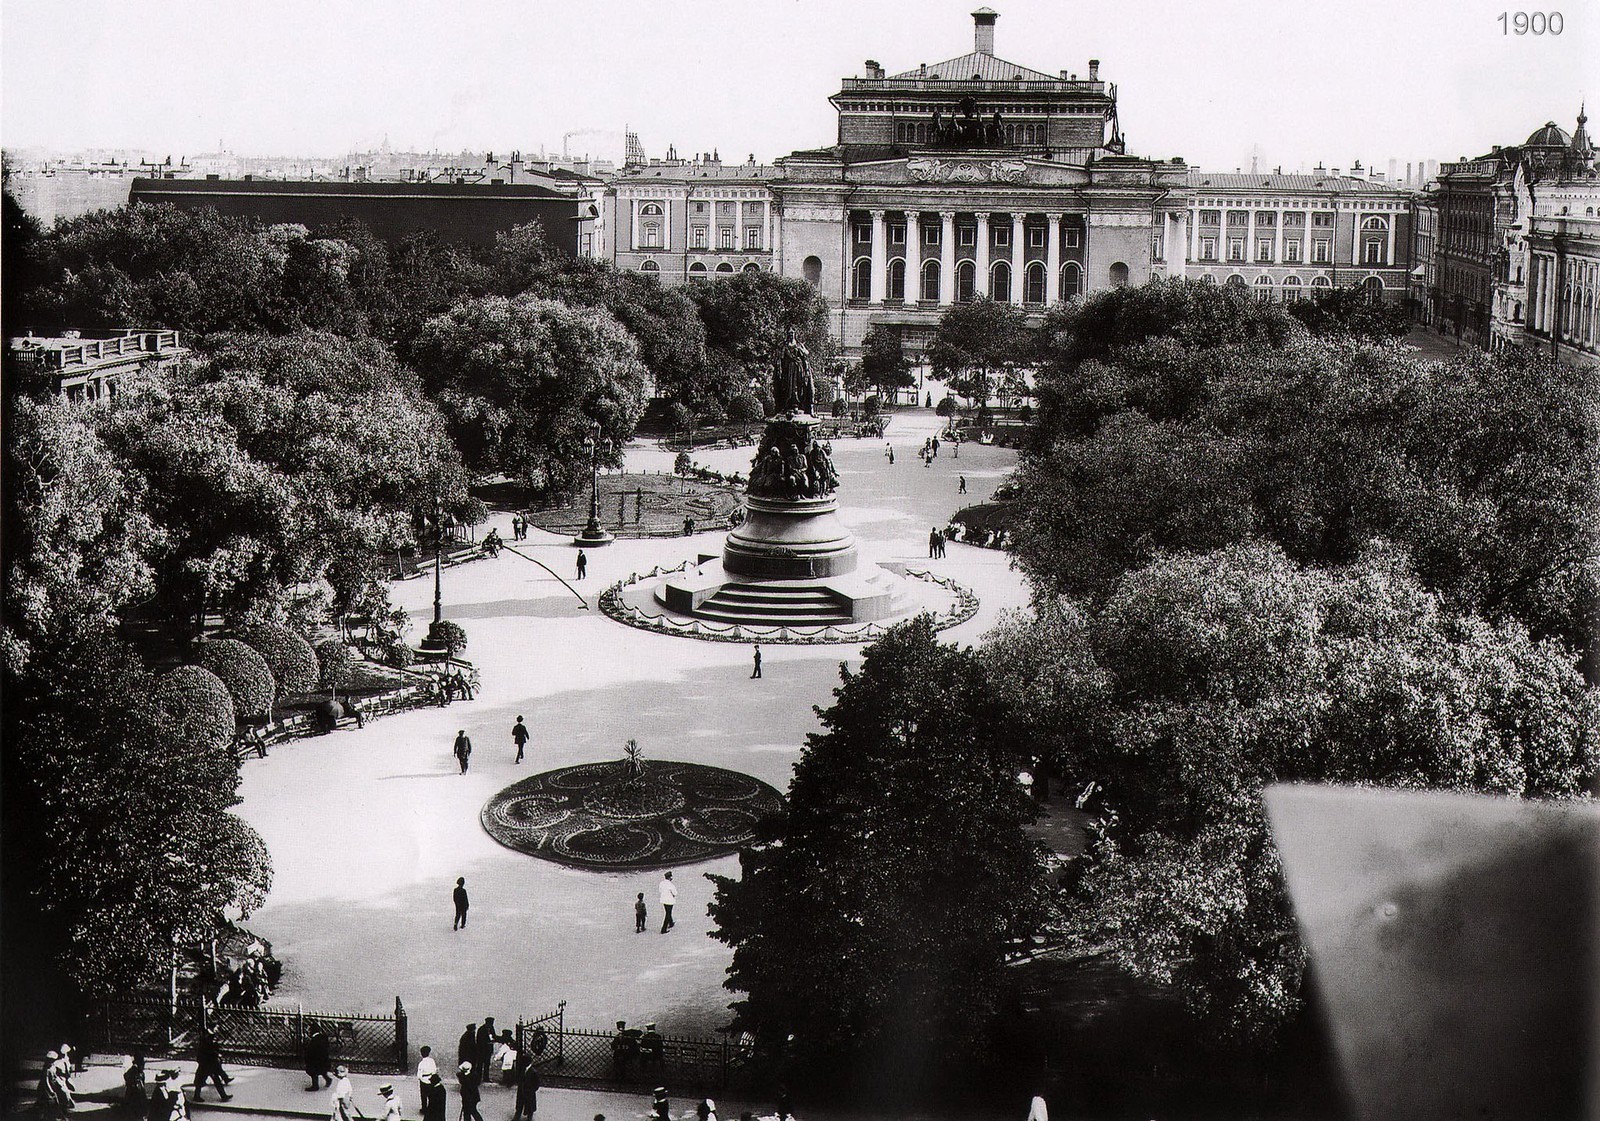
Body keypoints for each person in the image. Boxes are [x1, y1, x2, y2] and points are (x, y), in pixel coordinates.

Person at [191, 1029, 232, 1101]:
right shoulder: (204, 1045)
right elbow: (203, 1056)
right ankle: (223, 1096)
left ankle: (223, 1096)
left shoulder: (206, 1044)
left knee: (203, 1082)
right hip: (206, 1066)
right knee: (206, 1081)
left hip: (208, 1066)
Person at [306, 1022, 333, 1090]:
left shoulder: (313, 1041)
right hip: (325, 1061)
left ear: (311, 1031)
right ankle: (328, 1079)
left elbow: (311, 1053)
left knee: (312, 1071)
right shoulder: (323, 1037)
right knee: (323, 1071)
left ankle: (315, 1086)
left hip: (316, 1062)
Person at [515, 1054, 540, 1121]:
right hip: (522, 1090)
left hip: (529, 1092)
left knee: (529, 1106)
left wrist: (532, 1090)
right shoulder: (523, 1069)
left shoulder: (533, 1072)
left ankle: (529, 1117)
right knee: (520, 1104)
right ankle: (517, 1117)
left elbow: (537, 1084)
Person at [415, 1046, 437, 1113]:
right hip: (431, 1079)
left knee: (423, 1096)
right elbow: (434, 1070)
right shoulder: (432, 1061)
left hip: (424, 1080)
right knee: (431, 1095)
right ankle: (431, 1108)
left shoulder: (421, 1063)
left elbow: (419, 1075)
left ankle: (424, 1108)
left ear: (421, 1054)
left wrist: (420, 1078)